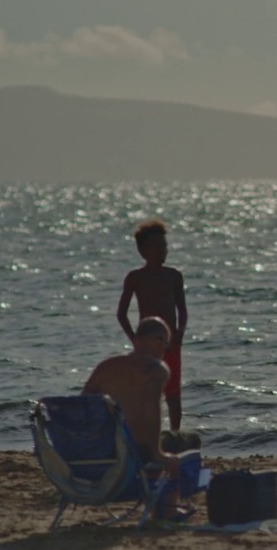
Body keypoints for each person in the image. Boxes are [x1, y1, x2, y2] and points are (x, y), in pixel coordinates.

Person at [83, 317, 200, 514]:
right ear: (157, 341)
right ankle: (168, 507)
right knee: (189, 440)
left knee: (146, 443)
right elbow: (151, 407)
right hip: (134, 452)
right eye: (165, 344)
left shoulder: (106, 367)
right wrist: (156, 452)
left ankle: (154, 492)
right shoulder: (155, 369)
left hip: (102, 451)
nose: (165, 350)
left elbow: (82, 406)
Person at [117, 218, 188, 430]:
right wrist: (135, 339)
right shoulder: (136, 278)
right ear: (143, 250)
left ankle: (175, 435)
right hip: (146, 346)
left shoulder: (173, 276)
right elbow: (121, 314)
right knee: (148, 393)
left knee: (173, 394)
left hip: (170, 343)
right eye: (157, 246)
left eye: (164, 246)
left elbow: (182, 311)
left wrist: (179, 334)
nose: (163, 250)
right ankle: (148, 435)